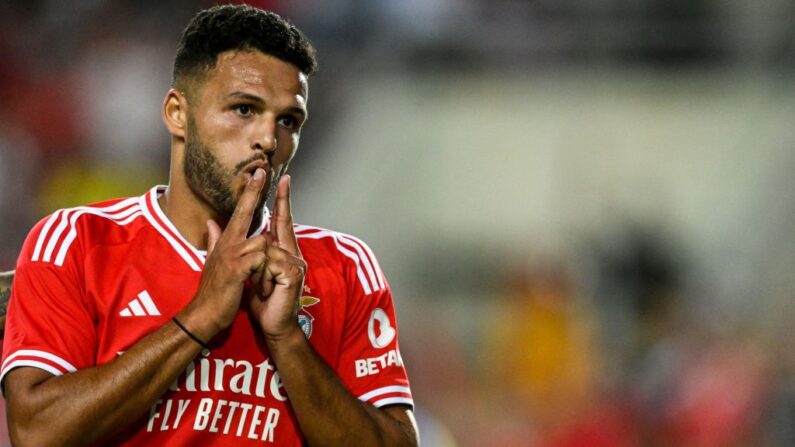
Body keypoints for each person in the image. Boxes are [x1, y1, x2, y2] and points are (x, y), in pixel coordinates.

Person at [1, 5, 418, 446]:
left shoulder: (343, 267)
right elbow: (37, 433)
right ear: (177, 113)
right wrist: (200, 317)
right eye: (243, 109)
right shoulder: (79, 243)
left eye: (288, 120)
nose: (268, 139)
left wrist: (288, 340)